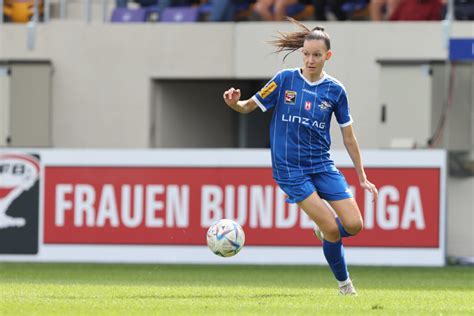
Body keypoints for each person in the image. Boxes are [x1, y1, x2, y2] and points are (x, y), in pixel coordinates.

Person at [222, 17, 378, 296]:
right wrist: (236, 104)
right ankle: (345, 286)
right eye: (306, 54)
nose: (310, 59)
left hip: (322, 164)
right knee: (332, 228)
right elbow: (248, 107)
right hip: (290, 169)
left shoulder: (335, 90)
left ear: (327, 56)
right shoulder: (284, 80)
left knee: (354, 225)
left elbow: (349, 137)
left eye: (317, 55)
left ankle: (323, 233)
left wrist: (363, 177)